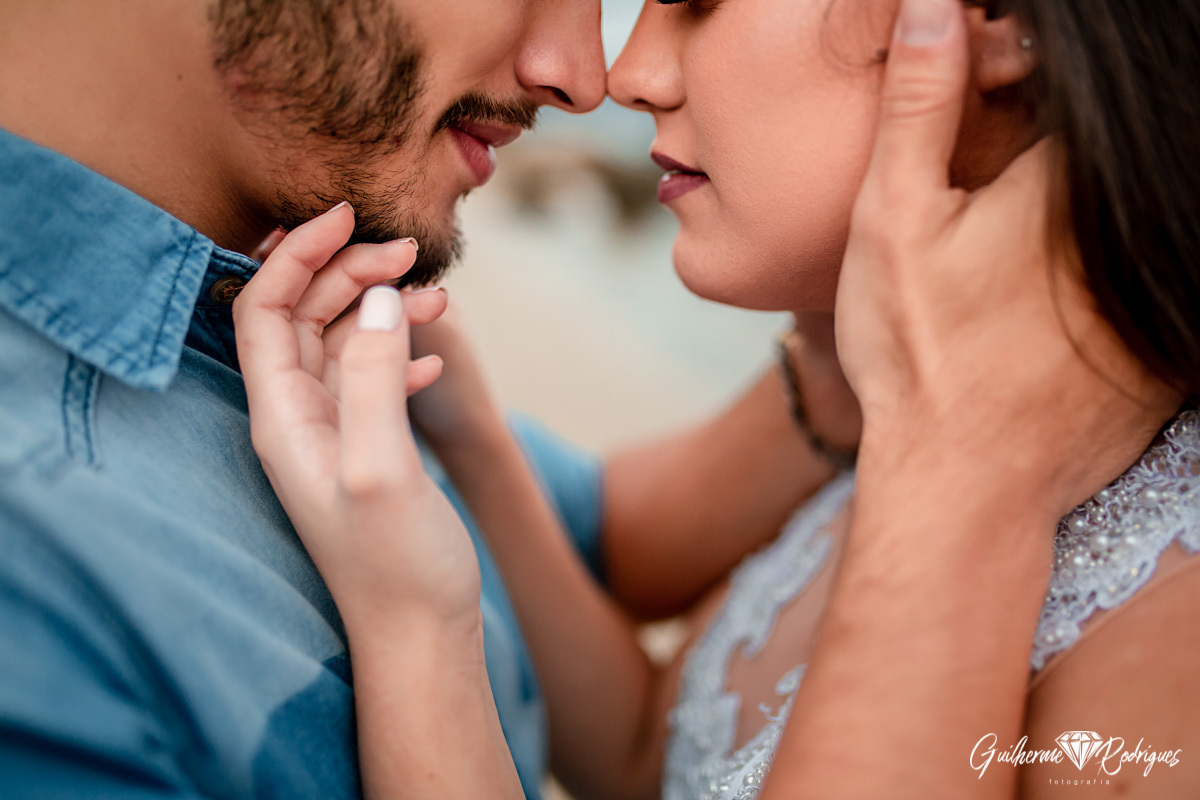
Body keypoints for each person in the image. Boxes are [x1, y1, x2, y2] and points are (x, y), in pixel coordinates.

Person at [237, 0, 1200, 797]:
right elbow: (648, 757)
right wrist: (474, 446)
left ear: (991, 20)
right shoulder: (914, 395)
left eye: (698, 4)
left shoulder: (1168, 669)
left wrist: (413, 627)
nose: (628, 75)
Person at [0, 1, 620, 796]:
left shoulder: (298, 300)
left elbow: (601, 531)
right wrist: (420, 634)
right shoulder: (34, 594)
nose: (578, 77)